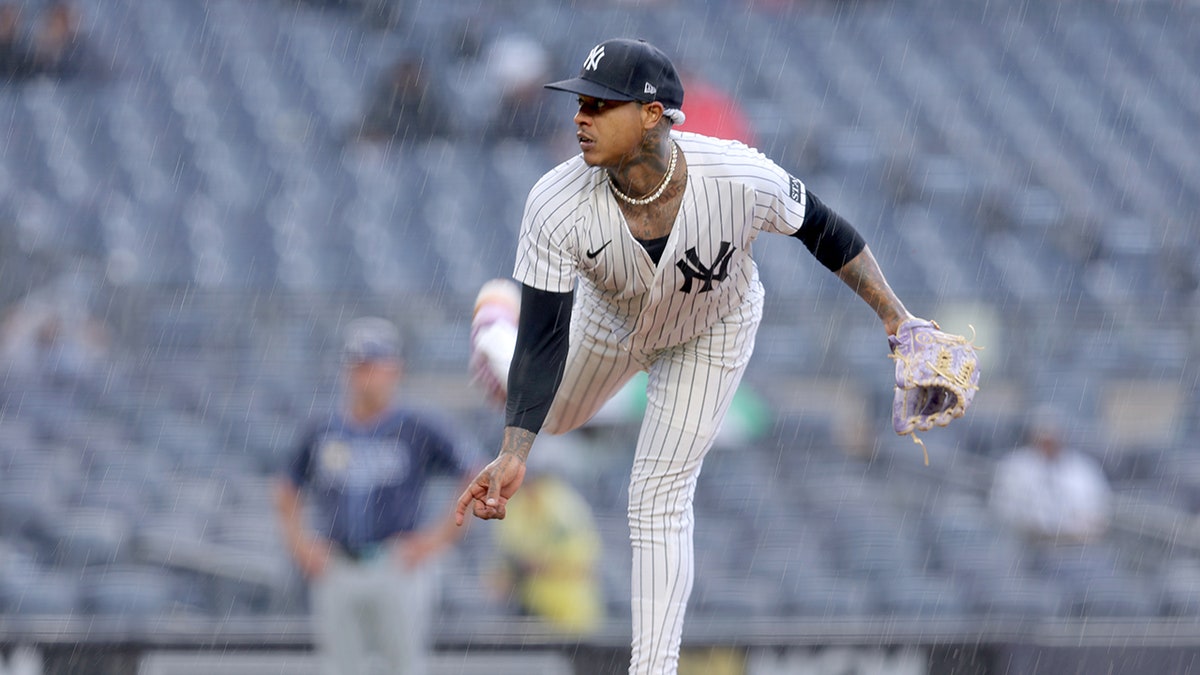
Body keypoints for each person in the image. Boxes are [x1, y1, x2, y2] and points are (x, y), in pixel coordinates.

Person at [456, 38, 930, 673]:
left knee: (657, 495)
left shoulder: (736, 174)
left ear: (653, 115)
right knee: (556, 416)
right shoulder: (555, 198)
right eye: (580, 103)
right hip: (607, 321)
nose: (580, 117)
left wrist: (898, 321)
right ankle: (494, 323)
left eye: (600, 105)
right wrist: (516, 450)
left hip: (712, 331)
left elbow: (826, 229)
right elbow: (545, 338)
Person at [275, 317, 476, 675]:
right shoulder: (323, 427)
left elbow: (473, 473)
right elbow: (287, 488)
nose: (365, 374)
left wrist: (435, 540)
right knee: (340, 668)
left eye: (373, 365)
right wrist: (301, 545)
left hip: (396, 563)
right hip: (338, 564)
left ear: (394, 369)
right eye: (358, 365)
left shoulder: (417, 424)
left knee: (404, 667)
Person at [490, 438, 605, 635]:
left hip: (571, 612)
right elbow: (507, 564)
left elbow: (584, 564)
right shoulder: (516, 506)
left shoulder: (561, 502)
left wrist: (533, 565)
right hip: (532, 610)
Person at [989, 407, 1112, 544]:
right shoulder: (1013, 468)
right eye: (1043, 438)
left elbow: (1099, 512)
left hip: (1075, 546)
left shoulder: (1084, 469)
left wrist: (1072, 532)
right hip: (1026, 546)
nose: (1049, 444)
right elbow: (1003, 511)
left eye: (1053, 437)